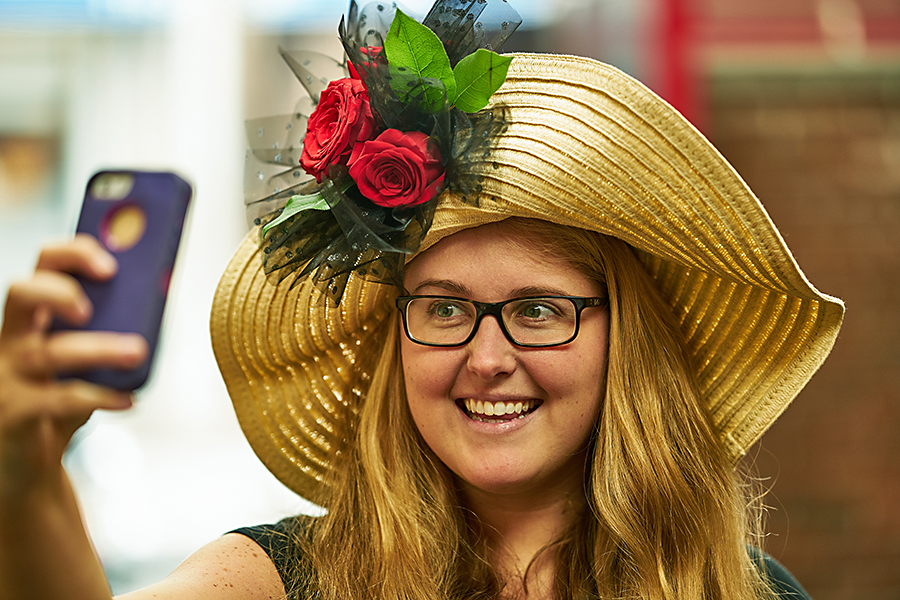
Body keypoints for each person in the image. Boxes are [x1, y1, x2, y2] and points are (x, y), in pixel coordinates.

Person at [0, 2, 843, 599]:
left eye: (539, 311)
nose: (486, 357)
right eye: (443, 308)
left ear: (626, 337)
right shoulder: (287, 579)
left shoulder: (738, 588)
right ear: (393, 338)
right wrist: (24, 476)